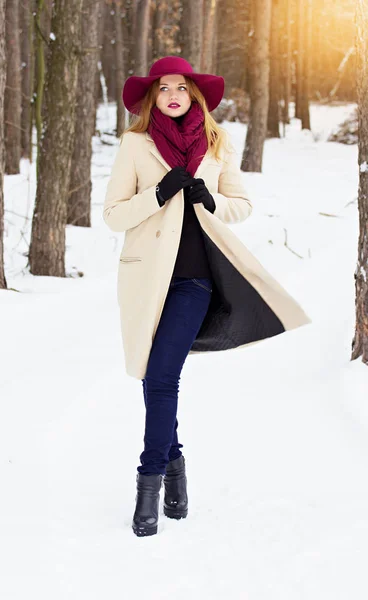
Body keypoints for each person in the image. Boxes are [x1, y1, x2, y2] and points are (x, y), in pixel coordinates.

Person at [103, 56, 311, 537]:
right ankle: (175, 474)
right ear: (153, 97)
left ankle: (149, 480)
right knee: (154, 377)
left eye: (181, 87)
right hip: (146, 280)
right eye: (163, 88)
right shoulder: (134, 145)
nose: (173, 95)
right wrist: (158, 194)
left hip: (196, 281)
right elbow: (113, 215)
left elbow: (242, 205)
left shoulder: (217, 144)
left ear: (194, 96)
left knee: (160, 378)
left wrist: (209, 199)